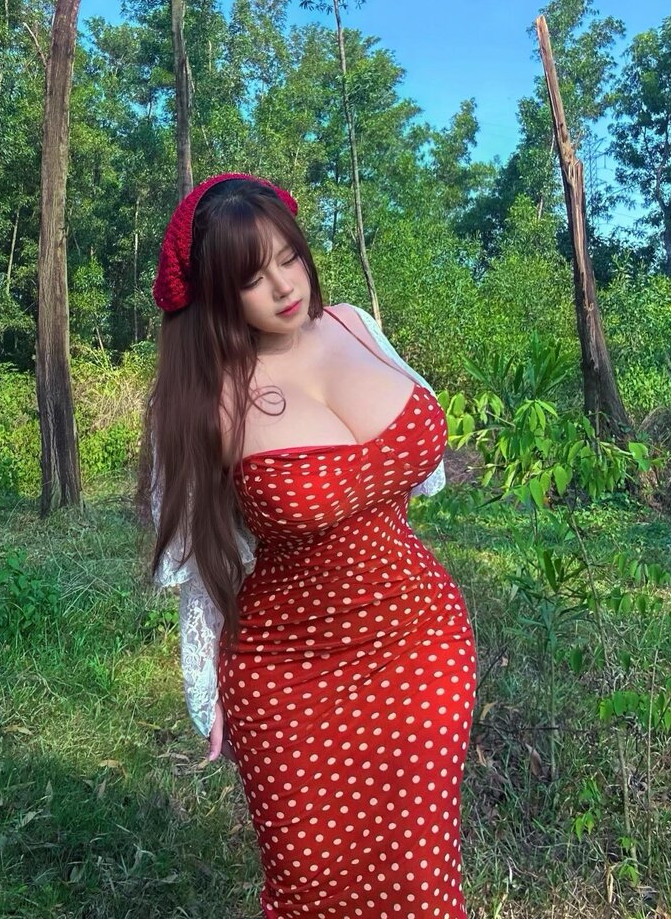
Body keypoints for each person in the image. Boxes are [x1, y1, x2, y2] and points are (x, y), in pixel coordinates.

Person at [137, 172, 478, 919]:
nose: (285, 287)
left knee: (420, 880)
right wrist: (209, 687)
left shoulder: (355, 325)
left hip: (419, 644)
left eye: (289, 257)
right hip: (287, 672)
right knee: (309, 887)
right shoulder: (203, 398)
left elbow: (413, 468)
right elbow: (201, 563)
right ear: (216, 294)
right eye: (252, 278)